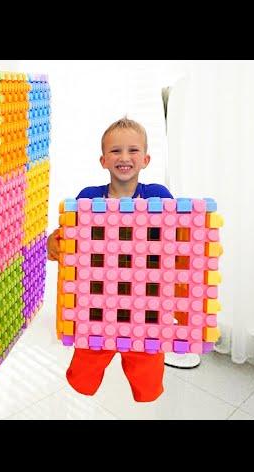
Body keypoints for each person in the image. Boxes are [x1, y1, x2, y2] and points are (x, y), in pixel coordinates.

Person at [47, 116, 174, 402]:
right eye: (116, 151)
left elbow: (177, 238)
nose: (124, 157)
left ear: (146, 159)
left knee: (147, 371)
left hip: (145, 303)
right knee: (85, 369)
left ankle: (146, 396)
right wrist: (54, 242)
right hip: (98, 303)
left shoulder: (158, 195)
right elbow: (66, 241)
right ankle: (81, 391)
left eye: (133, 150)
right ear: (103, 160)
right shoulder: (88, 199)